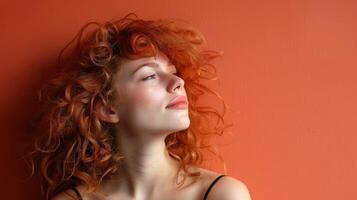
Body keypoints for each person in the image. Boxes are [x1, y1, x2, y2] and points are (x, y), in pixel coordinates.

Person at [27, 13, 251, 200]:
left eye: (173, 73)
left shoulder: (221, 194)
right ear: (108, 108)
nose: (178, 83)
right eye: (150, 76)